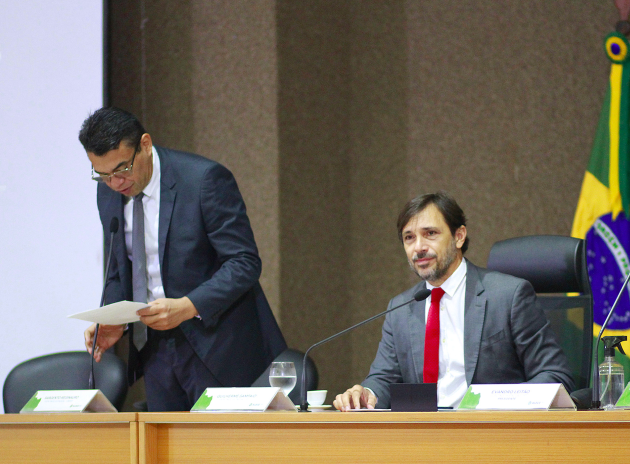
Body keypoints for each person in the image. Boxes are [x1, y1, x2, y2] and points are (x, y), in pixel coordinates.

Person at [80, 107, 286, 411]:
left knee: (222, 453)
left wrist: (188, 306)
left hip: (217, 345)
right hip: (155, 350)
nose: (115, 183)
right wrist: (115, 320)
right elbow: (119, 269)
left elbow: (244, 262)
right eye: (102, 174)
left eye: (122, 170)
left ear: (145, 145)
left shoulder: (203, 180)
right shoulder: (109, 194)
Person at [333, 192, 573, 411]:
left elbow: (555, 375)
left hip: (492, 437)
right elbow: (384, 379)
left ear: (459, 237)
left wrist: (500, 401)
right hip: (422, 439)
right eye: (409, 238)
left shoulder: (508, 296)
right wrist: (366, 393)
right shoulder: (401, 308)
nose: (419, 247)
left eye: (430, 234)